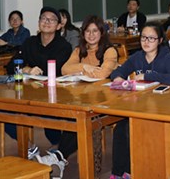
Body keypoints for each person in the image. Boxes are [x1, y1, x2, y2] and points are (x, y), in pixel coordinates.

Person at [40, 16, 119, 173]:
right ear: (83, 34)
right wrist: (84, 66)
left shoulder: (109, 51)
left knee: (80, 118)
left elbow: (102, 74)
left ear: (102, 33)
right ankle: (60, 158)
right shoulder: (79, 50)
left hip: (105, 101)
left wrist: (79, 70)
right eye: (87, 31)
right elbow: (64, 69)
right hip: (84, 99)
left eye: (95, 31)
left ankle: (59, 157)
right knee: (76, 115)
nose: (91, 35)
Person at [109, 23, 170, 179]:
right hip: (139, 106)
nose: (146, 42)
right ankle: (117, 173)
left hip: (162, 107)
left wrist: (147, 76)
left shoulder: (167, 57)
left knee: (131, 129)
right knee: (121, 128)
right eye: (143, 38)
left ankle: (130, 171)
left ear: (160, 40)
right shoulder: (137, 57)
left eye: (151, 38)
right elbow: (118, 71)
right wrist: (118, 77)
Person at [5, 7, 73, 156]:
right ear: (38, 22)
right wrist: (26, 69)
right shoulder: (30, 42)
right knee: (3, 111)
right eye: (43, 18)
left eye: (52, 20)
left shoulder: (64, 46)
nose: (47, 22)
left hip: (54, 95)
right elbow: (10, 66)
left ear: (59, 26)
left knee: (50, 115)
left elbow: (54, 70)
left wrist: (34, 69)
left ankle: (58, 144)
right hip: (28, 94)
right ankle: (29, 146)